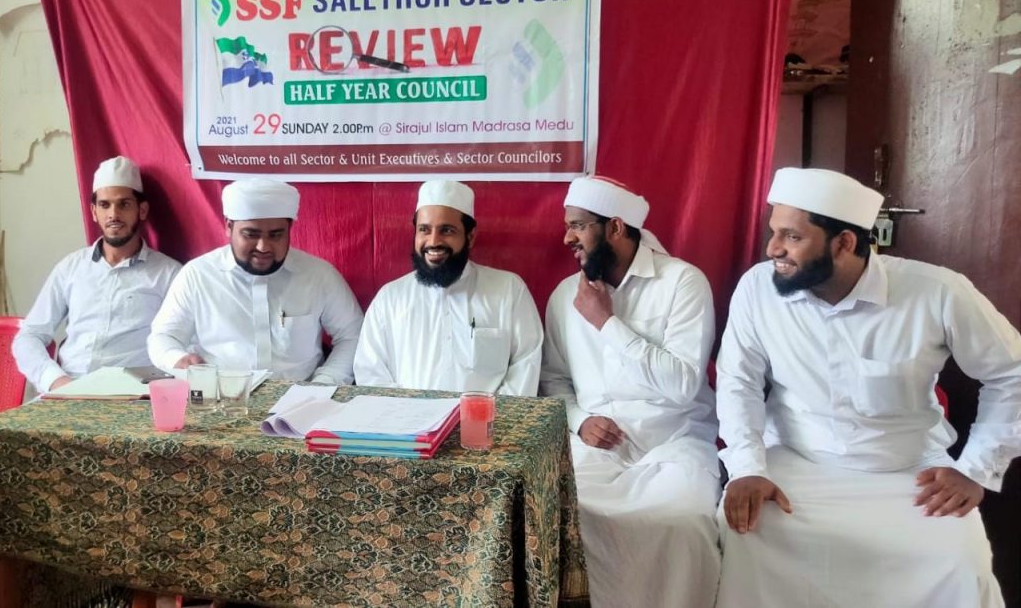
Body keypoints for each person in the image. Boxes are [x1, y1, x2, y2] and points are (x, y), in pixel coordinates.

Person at [715, 167, 1019, 608]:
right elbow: (738, 381)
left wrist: (975, 470)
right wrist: (746, 467)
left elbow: (1012, 373)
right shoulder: (757, 288)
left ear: (843, 243)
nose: (772, 248)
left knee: (962, 562)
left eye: (791, 236)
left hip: (910, 474)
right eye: (773, 232)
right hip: (797, 464)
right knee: (746, 535)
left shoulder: (937, 291)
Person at [539, 175, 721, 608]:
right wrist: (580, 421)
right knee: (558, 515)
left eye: (578, 226)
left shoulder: (682, 283)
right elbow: (554, 381)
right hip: (595, 447)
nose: (567, 238)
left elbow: (683, 385)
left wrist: (606, 323)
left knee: (682, 523)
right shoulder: (565, 296)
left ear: (616, 227)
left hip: (674, 443)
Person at [147, 178, 362, 384]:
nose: (263, 247)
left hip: (303, 399)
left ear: (289, 230)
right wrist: (177, 359)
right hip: (221, 397)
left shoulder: (318, 275)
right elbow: (163, 336)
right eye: (251, 234)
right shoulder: (198, 275)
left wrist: (325, 382)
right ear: (229, 227)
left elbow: (352, 336)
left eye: (275, 235)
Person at [354, 180, 542, 395]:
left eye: (447, 230)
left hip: (492, 416)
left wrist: (485, 413)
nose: (433, 241)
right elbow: (371, 372)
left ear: (470, 237)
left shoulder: (509, 289)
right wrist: (408, 412)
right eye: (424, 230)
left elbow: (526, 363)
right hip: (406, 415)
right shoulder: (390, 298)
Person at [12, 156, 181, 394]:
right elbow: (29, 336)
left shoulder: (169, 274)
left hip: (131, 396)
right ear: (94, 211)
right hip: (67, 390)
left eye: (124, 204)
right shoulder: (71, 268)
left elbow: (185, 344)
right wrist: (56, 381)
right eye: (104, 205)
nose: (113, 214)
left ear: (142, 210)